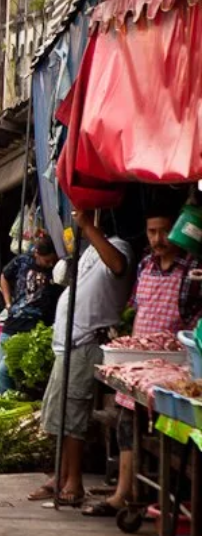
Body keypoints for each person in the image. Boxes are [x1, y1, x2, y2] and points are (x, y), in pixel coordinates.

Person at [83, 205, 200, 517]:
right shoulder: (145, 264)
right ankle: (124, 493)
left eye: (163, 231)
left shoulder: (191, 269)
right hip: (138, 361)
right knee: (125, 424)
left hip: (175, 364)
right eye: (152, 232)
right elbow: (135, 304)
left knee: (170, 434)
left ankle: (166, 498)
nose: (158, 239)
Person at [31, 210, 132, 506]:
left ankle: (73, 483)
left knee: (72, 416)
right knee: (58, 414)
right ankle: (60, 474)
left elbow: (118, 265)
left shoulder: (119, 248)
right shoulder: (90, 252)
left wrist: (88, 227)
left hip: (85, 343)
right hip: (67, 344)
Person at [0, 236, 61, 394]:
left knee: (8, 371)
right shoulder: (23, 261)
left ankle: (13, 401)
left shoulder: (58, 269)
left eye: (52, 261)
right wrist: (8, 303)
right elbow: (4, 276)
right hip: (14, 323)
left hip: (37, 328)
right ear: (37, 253)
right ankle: (5, 403)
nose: (50, 265)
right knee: (2, 371)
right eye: (47, 261)